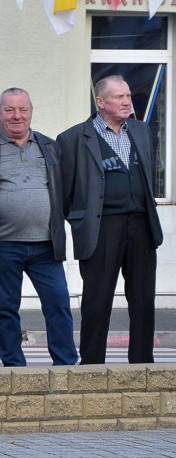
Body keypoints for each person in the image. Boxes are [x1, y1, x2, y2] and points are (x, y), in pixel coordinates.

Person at [0, 88, 78, 367]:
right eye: (9, 110)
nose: (16, 116)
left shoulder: (51, 148)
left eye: (22, 109)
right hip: (4, 245)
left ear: (31, 111)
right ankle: (13, 366)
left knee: (58, 305)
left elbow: (66, 193)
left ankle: (66, 363)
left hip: (47, 246)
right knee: (6, 309)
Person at [57, 75, 162, 364]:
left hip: (141, 224)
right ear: (101, 102)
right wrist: (81, 221)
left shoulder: (140, 131)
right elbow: (64, 192)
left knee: (143, 300)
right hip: (101, 227)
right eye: (119, 97)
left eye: (127, 95)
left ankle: (142, 364)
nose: (127, 101)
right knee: (97, 300)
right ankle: (91, 364)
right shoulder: (73, 138)